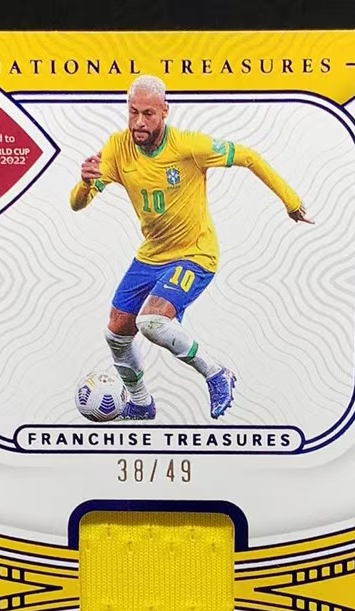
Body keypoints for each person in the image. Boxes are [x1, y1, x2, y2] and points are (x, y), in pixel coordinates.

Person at [70, 74, 313, 420]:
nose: (139, 122)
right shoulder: (117, 147)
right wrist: (84, 183)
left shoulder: (188, 146)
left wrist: (291, 202)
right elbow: (78, 204)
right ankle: (141, 403)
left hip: (195, 254)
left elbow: (248, 157)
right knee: (116, 334)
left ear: (164, 111)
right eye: (133, 112)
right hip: (151, 255)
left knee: (152, 322)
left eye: (148, 114)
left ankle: (216, 374)